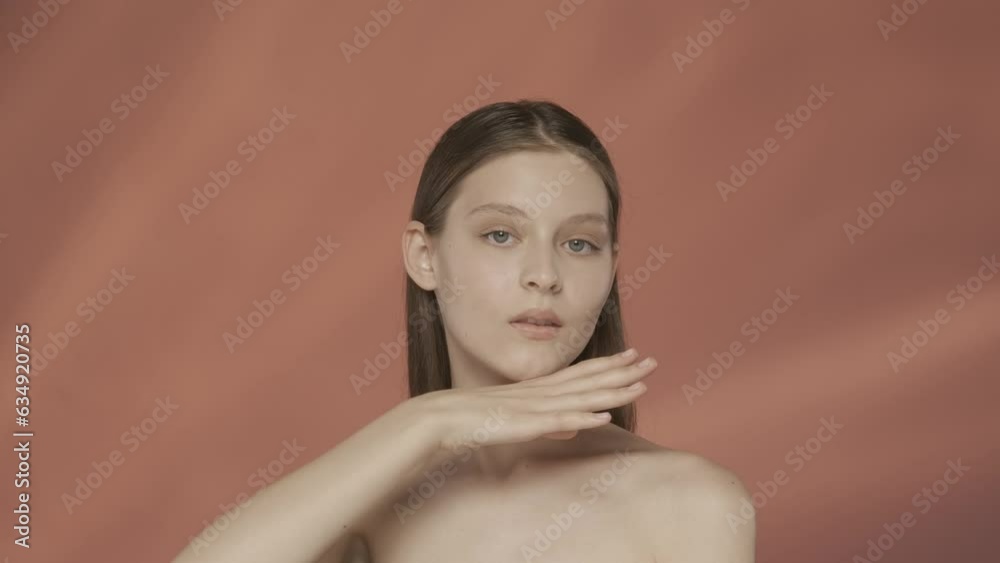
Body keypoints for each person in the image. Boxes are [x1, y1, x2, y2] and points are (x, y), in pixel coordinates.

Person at [170, 100, 756, 563]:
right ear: (425, 256)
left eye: (579, 243)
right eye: (501, 234)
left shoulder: (691, 504)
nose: (545, 276)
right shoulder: (373, 513)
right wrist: (430, 420)